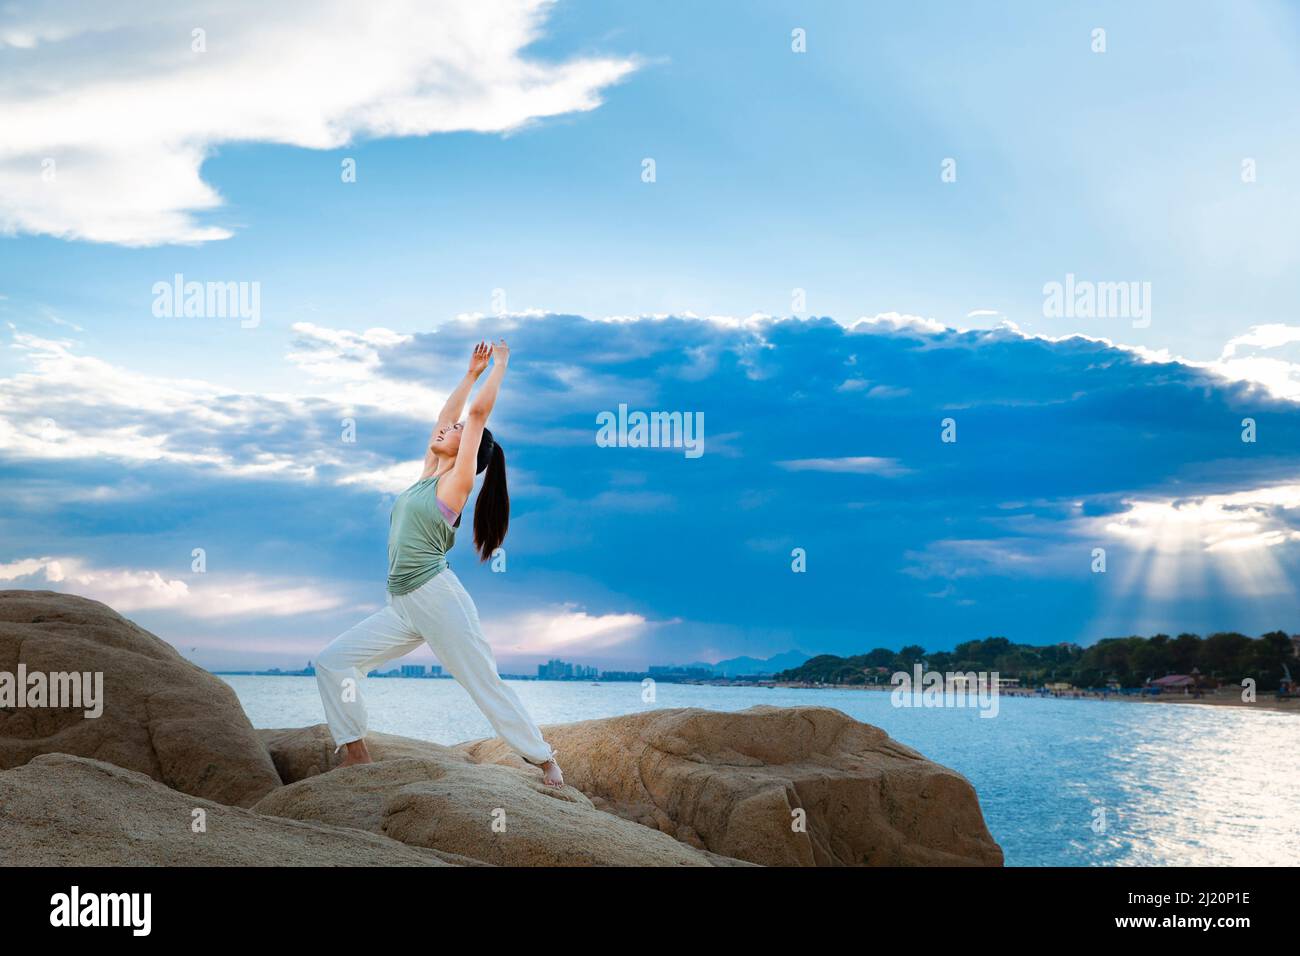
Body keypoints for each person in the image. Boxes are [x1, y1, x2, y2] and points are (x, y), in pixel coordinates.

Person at [314, 339, 563, 787]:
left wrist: (500, 365)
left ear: (467, 447)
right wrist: (470, 373)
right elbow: (447, 418)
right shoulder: (427, 473)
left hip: (437, 597)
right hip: (402, 603)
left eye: (456, 433)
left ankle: (545, 760)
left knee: (481, 681)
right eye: (447, 431)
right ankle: (356, 754)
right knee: (332, 662)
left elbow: (476, 418)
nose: (446, 430)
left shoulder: (455, 483)